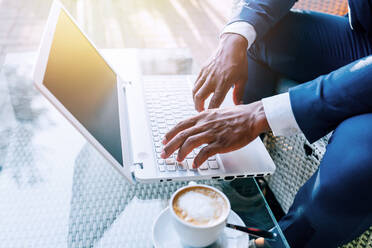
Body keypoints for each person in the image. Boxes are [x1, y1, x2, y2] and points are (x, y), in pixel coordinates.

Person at [161, 0, 372, 247]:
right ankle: (243, 188)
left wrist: (260, 115)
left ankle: (275, 244)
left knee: (353, 167)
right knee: (256, 35)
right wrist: (236, 34)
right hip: (364, 42)